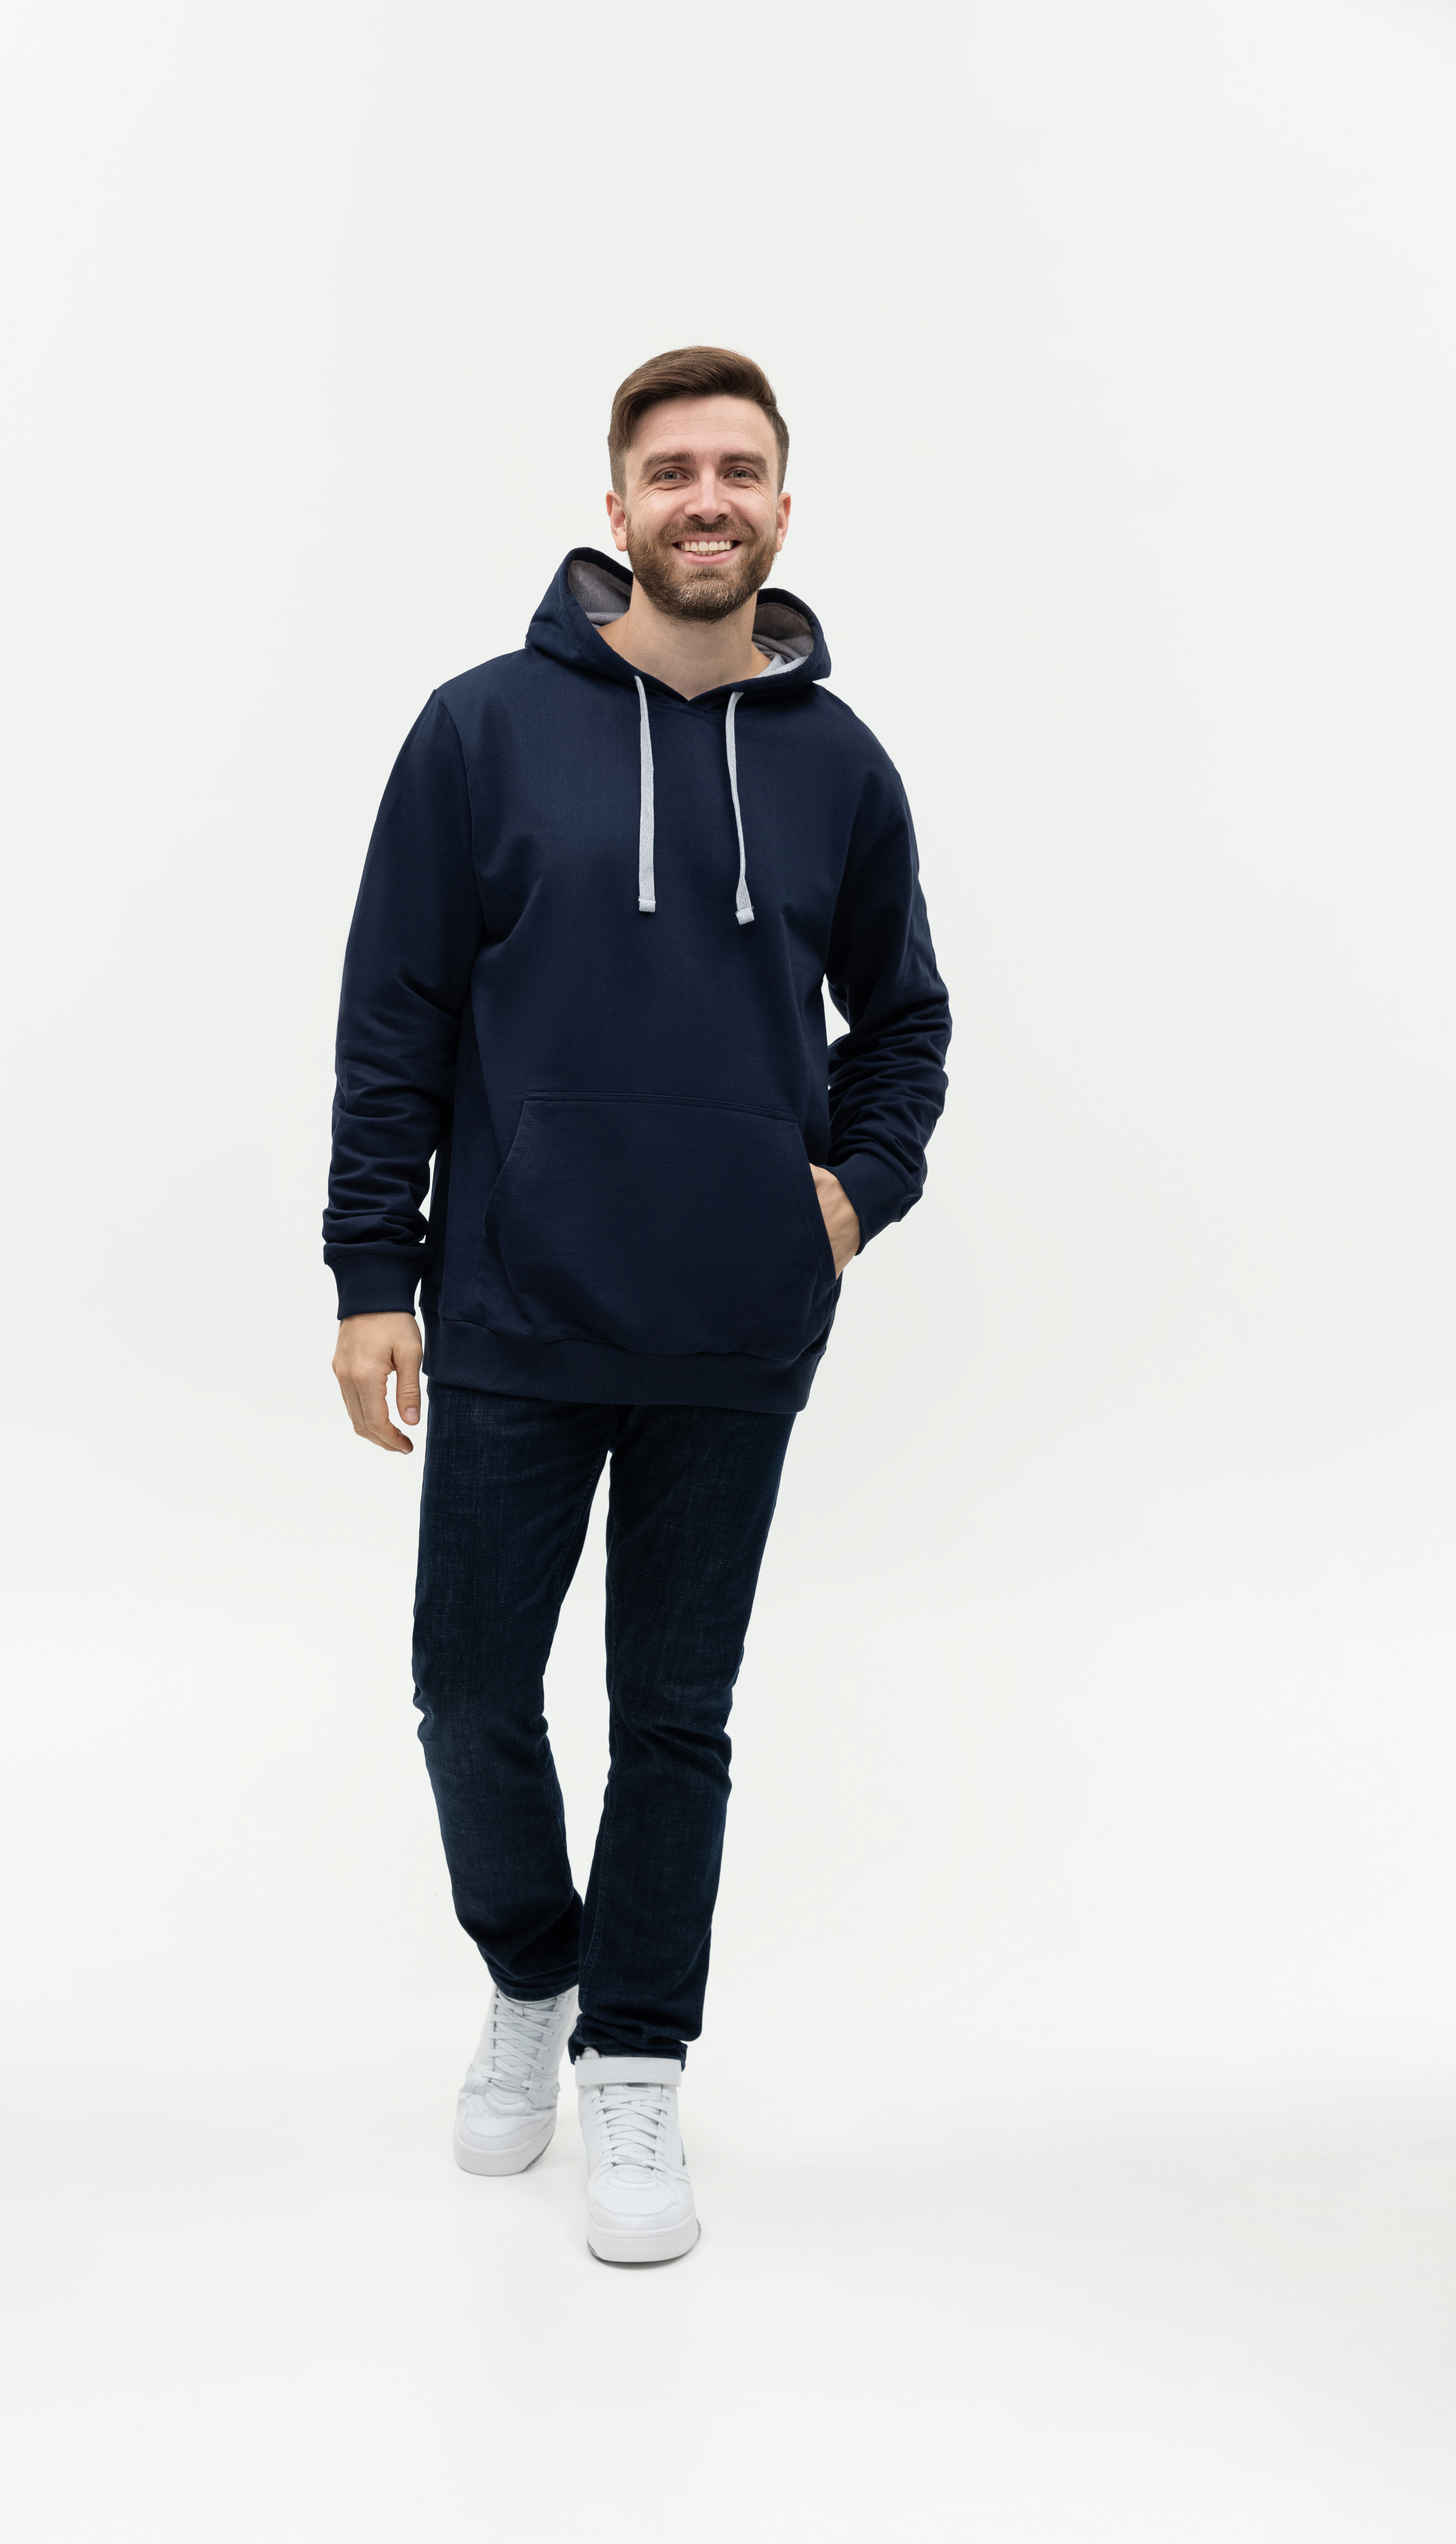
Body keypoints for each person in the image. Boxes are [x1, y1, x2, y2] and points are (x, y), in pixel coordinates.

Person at [324, 346, 950, 2265]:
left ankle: (639, 2057)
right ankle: (538, 1971)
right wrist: (371, 1273)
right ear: (616, 510)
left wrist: (849, 1196)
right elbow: (394, 1015)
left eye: (738, 470)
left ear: (782, 508)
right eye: (672, 470)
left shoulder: (842, 766)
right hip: (512, 1305)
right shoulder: (481, 730)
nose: (706, 499)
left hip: (736, 1325)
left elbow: (905, 1024)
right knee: (466, 1691)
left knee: (675, 1718)